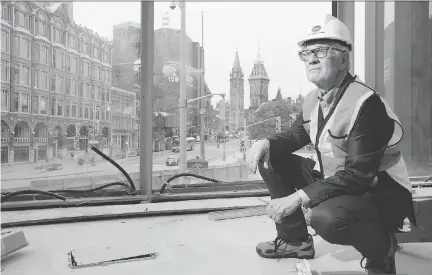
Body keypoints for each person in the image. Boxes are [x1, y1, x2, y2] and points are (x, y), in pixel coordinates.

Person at [247, 15, 415, 275]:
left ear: (344, 59)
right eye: (307, 53)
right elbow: (295, 135)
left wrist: (297, 198)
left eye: (322, 51)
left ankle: (382, 251)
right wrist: (265, 142)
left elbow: (358, 175)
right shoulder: (315, 98)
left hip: (380, 192)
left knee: (326, 219)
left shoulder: (366, 104)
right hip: (340, 181)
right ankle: (296, 242)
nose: (312, 59)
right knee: (272, 157)